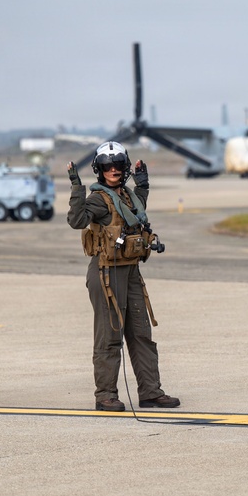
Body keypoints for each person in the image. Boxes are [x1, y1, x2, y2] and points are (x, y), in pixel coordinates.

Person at [67, 141, 179, 412]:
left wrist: (144, 185)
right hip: (106, 272)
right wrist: (76, 187)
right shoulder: (97, 198)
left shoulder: (129, 197)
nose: (113, 170)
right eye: (107, 166)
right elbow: (77, 221)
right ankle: (105, 395)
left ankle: (150, 392)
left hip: (130, 271)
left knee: (141, 332)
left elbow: (136, 213)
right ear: (100, 169)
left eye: (118, 165)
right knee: (110, 334)